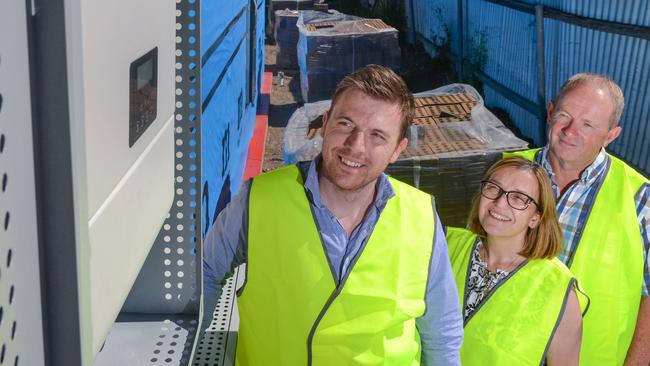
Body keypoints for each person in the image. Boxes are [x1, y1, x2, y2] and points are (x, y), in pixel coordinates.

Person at [202, 64, 463, 365]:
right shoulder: (259, 200)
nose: (355, 146)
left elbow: (442, 333)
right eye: (346, 125)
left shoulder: (421, 217)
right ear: (325, 124)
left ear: (397, 150)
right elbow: (206, 276)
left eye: (377, 135)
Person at [505, 73, 650, 365]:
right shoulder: (507, 173)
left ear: (611, 135)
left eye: (588, 124)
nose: (571, 131)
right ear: (550, 112)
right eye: (565, 116)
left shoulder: (640, 198)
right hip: (506, 352)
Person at [446, 157, 588, 365]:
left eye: (519, 198)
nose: (500, 203)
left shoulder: (559, 290)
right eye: (494, 188)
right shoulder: (445, 245)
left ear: (535, 218)